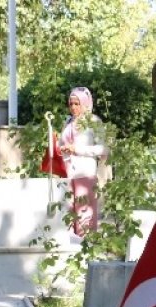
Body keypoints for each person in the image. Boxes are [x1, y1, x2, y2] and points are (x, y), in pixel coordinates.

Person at [59, 87, 107, 236]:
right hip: (67, 173)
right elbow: (62, 144)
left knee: (84, 215)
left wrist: (77, 149)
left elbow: (103, 149)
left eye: (77, 104)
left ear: (85, 104)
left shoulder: (94, 122)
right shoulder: (67, 121)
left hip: (84, 173)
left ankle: (85, 251)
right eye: (71, 104)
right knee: (66, 214)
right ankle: (68, 253)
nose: (73, 107)